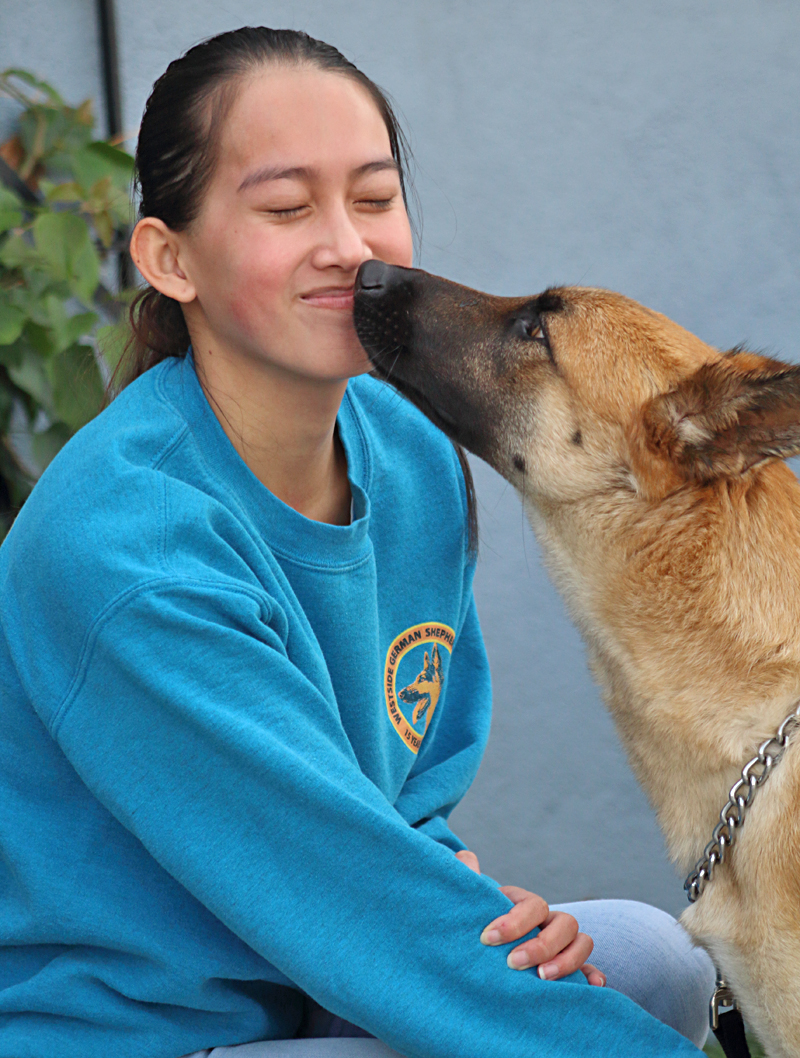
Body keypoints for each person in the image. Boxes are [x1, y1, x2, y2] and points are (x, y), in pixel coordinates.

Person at [0, 27, 713, 1058]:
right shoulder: (128, 549)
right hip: (152, 1033)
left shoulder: (409, 449)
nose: (349, 245)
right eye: (286, 208)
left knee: (654, 959)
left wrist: (459, 888)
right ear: (169, 258)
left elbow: (403, 803)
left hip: (321, 975)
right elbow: (346, 898)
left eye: (374, 197)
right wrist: (434, 933)